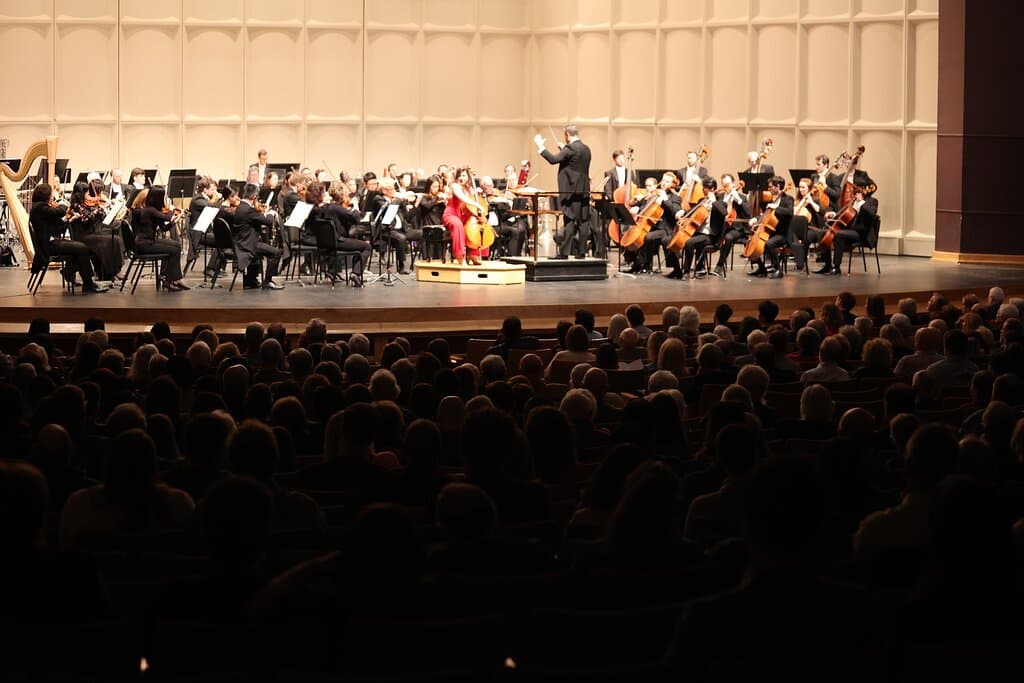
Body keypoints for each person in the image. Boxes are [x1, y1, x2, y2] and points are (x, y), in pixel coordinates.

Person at [28, 182, 107, 293]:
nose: (52, 197)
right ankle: (87, 283)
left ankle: (73, 274)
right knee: (83, 248)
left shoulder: (40, 208)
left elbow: (57, 229)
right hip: (48, 246)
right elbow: (61, 210)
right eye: (51, 194)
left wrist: (69, 219)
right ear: (46, 195)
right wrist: (61, 205)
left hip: (49, 242)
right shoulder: (41, 208)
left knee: (80, 248)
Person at [534, 123, 592, 259]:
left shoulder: (570, 148)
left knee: (570, 220)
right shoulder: (586, 148)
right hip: (584, 190)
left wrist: (540, 146)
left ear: (567, 134)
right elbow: (574, 163)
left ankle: (564, 253)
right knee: (583, 221)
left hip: (571, 191)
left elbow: (553, 160)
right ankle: (582, 253)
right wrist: (564, 151)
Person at [818, 170, 878, 275]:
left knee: (838, 234)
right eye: (855, 189)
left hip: (862, 233)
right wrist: (834, 214)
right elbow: (845, 214)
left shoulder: (872, 201)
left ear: (865, 189)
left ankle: (836, 267)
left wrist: (861, 202)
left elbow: (871, 213)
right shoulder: (853, 201)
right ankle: (827, 265)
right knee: (826, 231)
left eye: (859, 189)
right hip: (851, 230)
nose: (856, 191)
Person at [318, 181, 372, 286]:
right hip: (338, 241)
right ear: (341, 194)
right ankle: (356, 273)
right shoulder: (337, 208)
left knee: (357, 243)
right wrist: (356, 206)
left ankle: (334, 271)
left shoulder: (327, 207)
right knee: (366, 247)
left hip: (326, 243)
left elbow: (344, 215)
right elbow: (356, 219)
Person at [233, 183, 284, 290]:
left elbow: (255, 219)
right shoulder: (248, 210)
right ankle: (268, 281)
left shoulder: (240, 207)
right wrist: (271, 212)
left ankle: (250, 280)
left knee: (261, 249)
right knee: (276, 253)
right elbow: (268, 221)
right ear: (254, 196)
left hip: (241, 242)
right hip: (248, 244)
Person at [137, 186, 189, 291]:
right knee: (175, 248)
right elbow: (167, 217)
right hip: (144, 244)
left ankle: (168, 277)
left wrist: (174, 222)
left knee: (175, 245)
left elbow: (163, 228)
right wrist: (174, 212)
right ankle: (172, 280)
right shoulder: (149, 210)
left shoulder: (155, 210)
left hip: (150, 241)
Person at [677, 178, 726, 279]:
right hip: (698, 233)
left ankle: (686, 272)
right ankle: (681, 269)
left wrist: (713, 202)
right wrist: (683, 212)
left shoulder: (720, 202)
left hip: (711, 236)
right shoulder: (702, 200)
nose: (703, 190)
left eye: (704, 188)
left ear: (712, 189)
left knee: (690, 242)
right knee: (682, 239)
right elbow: (692, 211)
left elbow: (724, 212)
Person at [443, 167, 489, 266]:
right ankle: (460, 256)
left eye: (464, 175)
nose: (461, 178)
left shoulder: (469, 189)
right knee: (458, 225)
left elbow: (473, 201)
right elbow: (462, 197)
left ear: (468, 177)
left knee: (478, 224)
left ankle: (473, 254)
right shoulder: (454, 186)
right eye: (459, 176)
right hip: (451, 214)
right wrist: (477, 205)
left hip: (463, 215)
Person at [749, 175, 793, 279]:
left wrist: (776, 207)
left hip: (783, 234)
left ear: (777, 187)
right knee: (752, 242)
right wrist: (755, 219)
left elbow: (790, 212)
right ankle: (761, 268)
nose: (768, 189)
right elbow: (766, 215)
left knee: (769, 243)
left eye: (770, 187)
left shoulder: (788, 199)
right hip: (771, 231)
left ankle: (778, 269)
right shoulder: (772, 200)